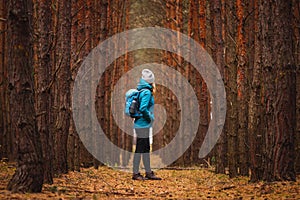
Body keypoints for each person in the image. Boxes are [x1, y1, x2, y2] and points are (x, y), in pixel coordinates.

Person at [132, 69, 162, 180]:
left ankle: (148, 172)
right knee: (140, 148)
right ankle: (135, 174)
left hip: (141, 124)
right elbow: (143, 108)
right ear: (151, 81)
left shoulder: (142, 90)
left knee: (145, 148)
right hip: (142, 124)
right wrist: (151, 117)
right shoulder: (146, 92)